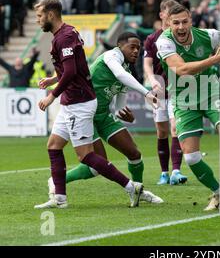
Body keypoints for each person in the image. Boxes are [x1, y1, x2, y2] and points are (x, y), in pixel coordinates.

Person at [33, 0, 143, 209]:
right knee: (54, 146)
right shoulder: (67, 33)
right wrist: (53, 79)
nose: (38, 20)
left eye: (40, 16)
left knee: (85, 155)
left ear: (51, 14)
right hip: (71, 102)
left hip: (79, 103)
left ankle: (131, 187)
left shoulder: (64, 37)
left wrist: (51, 95)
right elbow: (77, 67)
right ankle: (60, 199)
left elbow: (72, 72)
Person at [156, 4, 220, 211]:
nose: (180, 27)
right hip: (184, 100)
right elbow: (181, 69)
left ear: (191, 21)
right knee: (191, 157)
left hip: (212, 92)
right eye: (176, 23)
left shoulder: (209, 35)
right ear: (168, 23)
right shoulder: (164, 42)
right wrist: (215, 59)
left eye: (184, 22)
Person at [47, 32, 163, 204]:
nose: (136, 51)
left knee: (134, 153)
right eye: (132, 47)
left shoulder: (128, 70)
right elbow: (120, 75)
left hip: (103, 115)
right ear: (119, 46)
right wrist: (146, 93)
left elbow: (118, 106)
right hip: (85, 113)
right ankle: (58, 180)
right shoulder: (110, 56)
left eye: (138, 48)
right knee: (97, 166)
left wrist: (126, 115)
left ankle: (138, 191)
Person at [144, 0, 188, 185]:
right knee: (161, 132)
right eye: (170, 15)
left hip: (178, 90)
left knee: (175, 128)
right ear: (162, 15)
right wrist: (152, 80)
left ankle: (176, 171)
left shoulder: (181, 36)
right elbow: (147, 63)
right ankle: (164, 172)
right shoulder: (152, 39)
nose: (174, 19)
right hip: (160, 91)